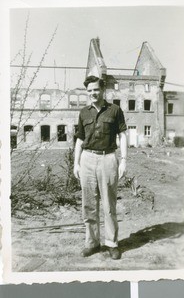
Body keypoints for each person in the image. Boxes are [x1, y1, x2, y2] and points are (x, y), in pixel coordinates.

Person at [73, 75, 127, 260]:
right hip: (87, 159)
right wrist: (76, 163)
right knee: (88, 204)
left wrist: (124, 160)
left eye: (95, 89)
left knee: (108, 205)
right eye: (89, 91)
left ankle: (112, 243)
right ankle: (92, 243)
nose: (93, 93)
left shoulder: (114, 110)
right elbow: (80, 139)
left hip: (108, 159)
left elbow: (123, 135)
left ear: (103, 90)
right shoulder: (83, 112)